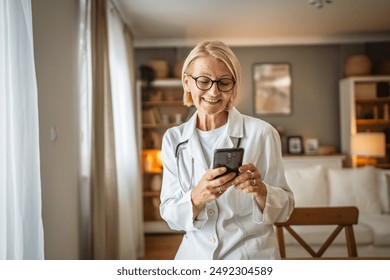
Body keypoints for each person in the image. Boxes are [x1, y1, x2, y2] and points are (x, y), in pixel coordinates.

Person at [160, 41, 294, 260]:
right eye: (203, 81)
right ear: (187, 82)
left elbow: (286, 208)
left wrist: (261, 191)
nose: (214, 91)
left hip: (250, 257)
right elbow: (170, 214)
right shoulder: (173, 139)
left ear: (233, 85)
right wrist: (196, 197)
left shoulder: (262, 133)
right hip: (194, 256)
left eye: (224, 82)